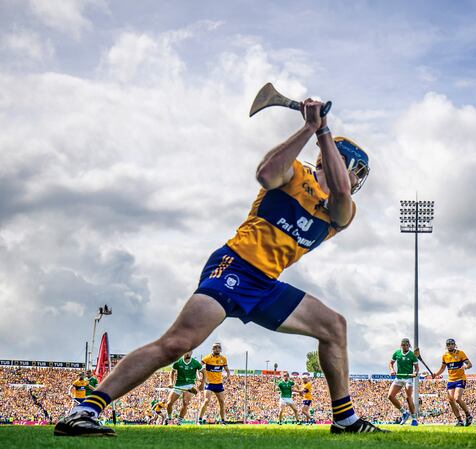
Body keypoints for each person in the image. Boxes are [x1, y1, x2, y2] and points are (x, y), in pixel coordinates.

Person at [54, 98, 380, 436]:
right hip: (234, 266)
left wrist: (322, 129)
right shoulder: (295, 173)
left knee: (334, 326)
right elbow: (265, 174)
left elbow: (340, 191)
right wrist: (311, 128)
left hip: (266, 284)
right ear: (338, 161)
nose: (355, 181)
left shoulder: (341, 211)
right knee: (177, 344)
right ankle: (84, 409)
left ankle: (345, 419)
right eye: (355, 170)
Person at [430, 338, 473, 426]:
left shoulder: (460, 353)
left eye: (451, 344)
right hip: (451, 380)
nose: (450, 345)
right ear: (446, 346)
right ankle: (460, 421)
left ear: (454, 344)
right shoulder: (445, 356)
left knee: (457, 398)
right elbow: (442, 368)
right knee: (451, 400)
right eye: (448, 344)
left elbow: (470, 364)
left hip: (460, 378)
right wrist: (436, 374)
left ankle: (468, 415)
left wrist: (465, 367)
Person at [387, 338, 419, 426]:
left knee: (408, 398)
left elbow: (416, 368)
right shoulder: (397, 353)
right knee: (390, 396)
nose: (405, 346)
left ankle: (414, 419)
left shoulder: (412, 355)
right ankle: (404, 413)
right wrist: (392, 370)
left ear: (409, 345)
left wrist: (415, 373)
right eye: (403, 345)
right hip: (399, 377)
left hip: (408, 378)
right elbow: (391, 363)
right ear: (401, 345)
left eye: (406, 345)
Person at [165, 352, 204, 424]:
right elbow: (172, 373)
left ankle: (179, 421)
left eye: (190, 352)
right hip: (178, 385)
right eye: (186, 352)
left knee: (185, 403)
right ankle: (169, 418)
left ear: (192, 352)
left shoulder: (195, 363)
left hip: (190, 385)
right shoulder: (177, 362)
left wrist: (202, 383)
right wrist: (171, 382)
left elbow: (203, 372)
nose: (188, 353)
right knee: (169, 403)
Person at [197, 343, 230, 424]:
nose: (217, 349)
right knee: (206, 400)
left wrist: (228, 376)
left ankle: (222, 421)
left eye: (219, 347)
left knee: (222, 402)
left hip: (219, 384)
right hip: (209, 383)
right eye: (215, 347)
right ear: (212, 349)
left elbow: (227, 369)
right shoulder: (207, 358)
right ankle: (199, 420)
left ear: (221, 349)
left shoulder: (223, 359)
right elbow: (198, 367)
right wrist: (199, 377)